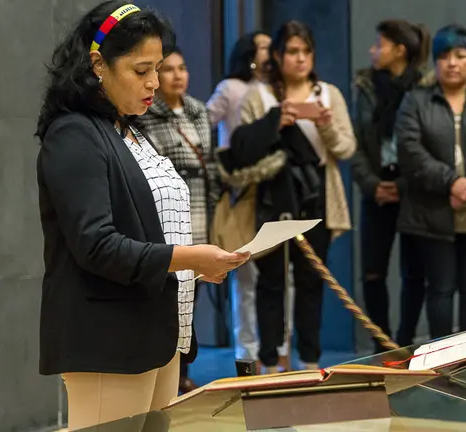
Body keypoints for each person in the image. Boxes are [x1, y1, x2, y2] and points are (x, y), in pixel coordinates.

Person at [35, 2, 249, 429]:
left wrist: (194, 270)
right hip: (107, 341)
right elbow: (97, 245)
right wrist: (188, 259)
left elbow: (147, 232)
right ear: (99, 64)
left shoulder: (129, 129)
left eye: (159, 68)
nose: (154, 82)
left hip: (156, 333)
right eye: (141, 70)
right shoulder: (74, 133)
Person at [223, 21, 356, 373]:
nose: (300, 59)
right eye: (292, 52)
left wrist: (324, 123)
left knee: (312, 283)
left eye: (306, 52)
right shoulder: (261, 96)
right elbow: (242, 150)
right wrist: (275, 122)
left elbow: (346, 147)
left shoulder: (327, 94)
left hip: (318, 200)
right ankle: (270, 363)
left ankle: (310, 361)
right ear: (278, 56)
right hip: (271, 201)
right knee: (271, 284)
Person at [396, 24, 466, 338]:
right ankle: (440, 364)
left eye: (460, 56)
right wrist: (452, 183)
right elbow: (409, 150)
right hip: (431, 211)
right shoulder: (415, 101)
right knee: (440, 290)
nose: (452, 62)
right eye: (444, 56)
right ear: (435, 62)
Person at [137, 48, 221, 392]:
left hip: (201, 209)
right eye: (166, 69)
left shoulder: (199, 110)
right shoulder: (146, 114)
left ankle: (184, 368)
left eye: (182, 68)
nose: (176, 76)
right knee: (172, 291)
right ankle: (172, 369)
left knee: (194, 293)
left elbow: (211, 163)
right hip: (167, 217)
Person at [351, 19, 431, 350]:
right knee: (373, 273)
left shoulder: (424, 88)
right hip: (376, 190)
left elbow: (425, 142)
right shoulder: (366, 86)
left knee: (414, 272)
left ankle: (407, 342)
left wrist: (402, 183)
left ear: (399, 50)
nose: (373, 50)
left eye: (379, 45)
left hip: (412, 191)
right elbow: (354, 143)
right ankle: (382, 345)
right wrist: (372, 184)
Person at [206, 31, 282, 368]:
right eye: (265, 47)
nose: (271, 53)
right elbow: (204, 120)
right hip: (241, 185)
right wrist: (223, 160)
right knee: (246, 276)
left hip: (273, 184)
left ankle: (277, 349)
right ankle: (245, 351)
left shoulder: (273, 88)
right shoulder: (229, 88)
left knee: (279, 278)